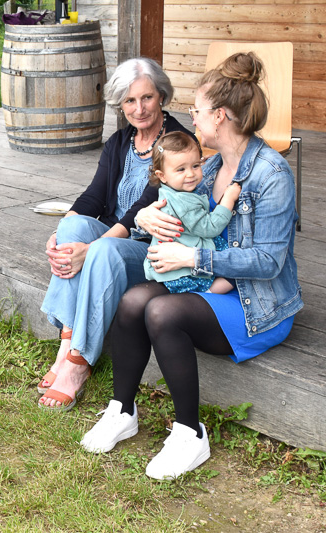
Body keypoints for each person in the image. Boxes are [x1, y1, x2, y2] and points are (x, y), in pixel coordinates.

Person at [80, 52, 302, 480]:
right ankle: (122, 410)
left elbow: (269, 262)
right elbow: (171, 208)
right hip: (207, 284)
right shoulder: (209, 166)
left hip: (257, 304)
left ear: (220, 116)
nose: (191, 118)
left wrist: (193, 257)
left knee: (162, 311)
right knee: (133, 301)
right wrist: (145, 218)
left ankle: (189, 433)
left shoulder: (271, 174)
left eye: (197, 111)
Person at [38, 57, 195, 410]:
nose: (139, 109)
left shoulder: (179, 144)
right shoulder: (120, 141)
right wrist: (61, 233)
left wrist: (93, 247)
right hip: (113, 239)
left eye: (147, 97)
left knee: (103, 250)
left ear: (162, 96)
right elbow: (94, 194)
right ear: (120, 105)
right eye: (129, 100)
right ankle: (67, 341)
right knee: (73, 225)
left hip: (153, 249)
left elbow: (143, 207)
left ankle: (78, 362)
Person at [143, 131, 241, 294]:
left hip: (166, 267)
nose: (190, 174)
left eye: (195, 165)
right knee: (232, 273)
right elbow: (210, 228)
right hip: (183, 272)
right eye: (181, 169)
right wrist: (228, 200)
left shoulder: (169, 193)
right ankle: (208, 293)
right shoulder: (183, 203)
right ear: (162, 176)